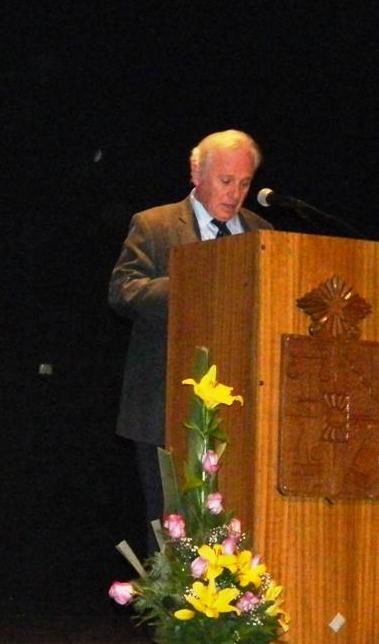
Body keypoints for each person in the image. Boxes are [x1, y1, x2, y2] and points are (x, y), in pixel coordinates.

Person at [109, 129, 272, 554]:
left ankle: (230, 616)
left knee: (235, 522)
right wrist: (194, 280)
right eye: (225, 181)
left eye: (244, 183)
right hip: (165, 406)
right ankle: (172, 618)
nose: (235, 194)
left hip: (241, 408)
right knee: (171, 523)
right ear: (196, 173)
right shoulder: (155, 225)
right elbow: (123, 291)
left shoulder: (263, 233)